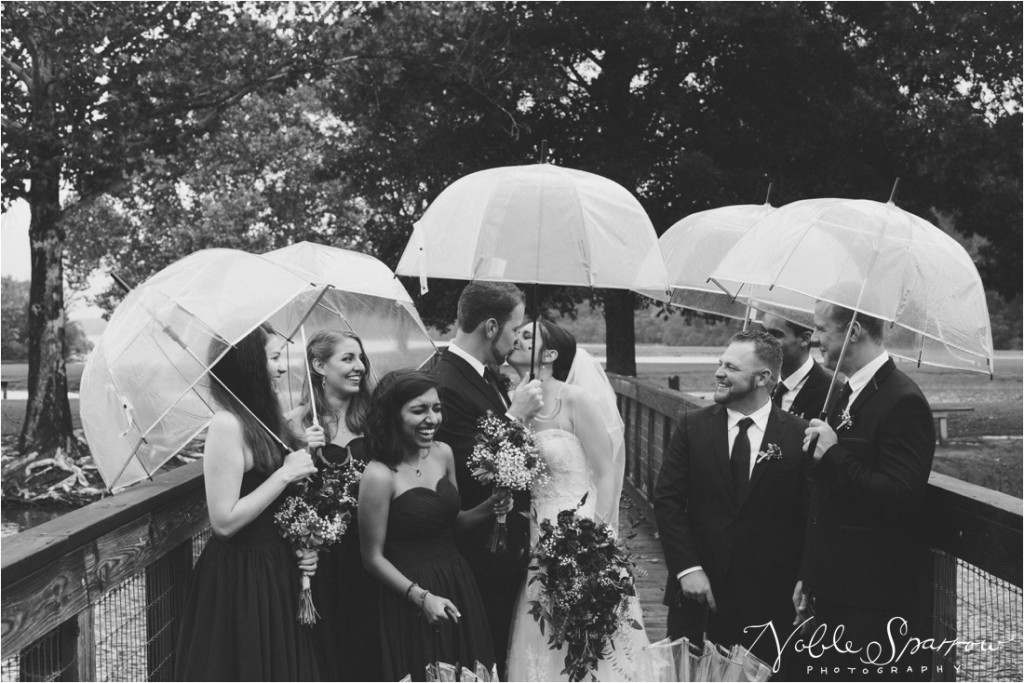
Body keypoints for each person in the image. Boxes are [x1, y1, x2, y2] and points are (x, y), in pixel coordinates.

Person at [175, 323, 324, 681]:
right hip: (240, 579)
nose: (283, 367)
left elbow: (278, 503)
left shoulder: (261, 419)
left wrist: (304, 543)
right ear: (249, 366)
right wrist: (284, 474)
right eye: (273, 358)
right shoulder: (227, 425)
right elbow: (223, 522)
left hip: (276, 568)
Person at [654, 330, 811, 669]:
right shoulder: (692, 426)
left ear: (763, 378)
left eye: (732, 367)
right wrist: (687, 569)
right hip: (697, 596)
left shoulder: (797, 435)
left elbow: (809, 516)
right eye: (720, 363)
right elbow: (667, 502)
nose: (719, 373)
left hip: (768, 602)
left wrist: (805, 577)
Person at [505, 319, 651, 681]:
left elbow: (606, 471)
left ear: (550, 354)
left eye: (527, 336)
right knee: (543, 629)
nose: (516, 339)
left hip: (580, 531)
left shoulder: (574, 399)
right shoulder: (512, 401)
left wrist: (598, 539)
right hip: (535, 532)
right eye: (517, 333)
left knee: (590, 633)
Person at [798, 294, 935, 681]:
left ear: (853, 331)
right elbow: (824, 499)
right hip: (831, 592)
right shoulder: (844, 392)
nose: (813, 338)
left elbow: (901, 496)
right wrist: (809, 577)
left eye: (822, 329)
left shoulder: (902, 401)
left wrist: (834, 454)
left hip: (873, 604)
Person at [359, 370, 507, 681]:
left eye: (436, 408)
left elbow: (453, 522)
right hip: (409, 593)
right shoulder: (379, 474)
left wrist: (491, 506)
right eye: (418, 410)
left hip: (457, 581)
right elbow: (372, 558)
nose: (432, 419)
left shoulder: (443, 453)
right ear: (392, 415)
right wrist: (421, 597)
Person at [429, 281, 543, 675]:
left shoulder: (482, 374)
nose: (516, 340)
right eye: (515, 329)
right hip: (476, 552)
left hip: (505, 548)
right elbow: (472, 469)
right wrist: (516, 416)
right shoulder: (445, 383)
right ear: (491, 327)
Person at [288, 330, 381, 682]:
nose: (359, 367)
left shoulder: (375, 419)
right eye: (348, 359)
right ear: (318, 366)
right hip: (321, 560)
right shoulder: (295, 422)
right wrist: (303, 450)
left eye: (360, 358)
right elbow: (286, 495)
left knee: (368, 650)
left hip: (371, 550)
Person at [760, 313, 832, 420]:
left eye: (776, 334)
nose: (763, 341)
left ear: (805, 339)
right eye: (763, 332)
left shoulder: (830, 393)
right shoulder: (758, 378)